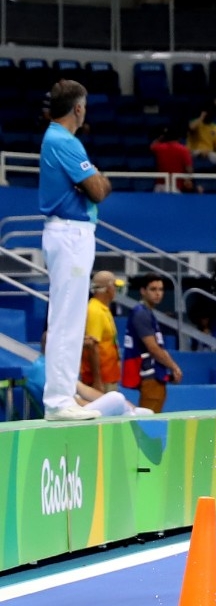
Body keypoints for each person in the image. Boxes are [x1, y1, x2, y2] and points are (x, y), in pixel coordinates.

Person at [39, 79, 110, 422]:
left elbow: (94, 187)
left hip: (71, 233)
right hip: (69, 234)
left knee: (68, 318)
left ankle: (60, 397)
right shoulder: (64, 141)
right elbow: (97, 190)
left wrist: (94, 180)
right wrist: (97, 178)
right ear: (78, 108)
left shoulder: (59, 140)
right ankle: (58, 401)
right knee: (67, 319)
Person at [123, 274, 182, 414]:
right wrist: (174, 367)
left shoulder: (147, 313)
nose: (158, 293)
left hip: (154, 376)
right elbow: (153, 348)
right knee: (148, 422)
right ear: (143, 291)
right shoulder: (141, 314)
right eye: (153, 289)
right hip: (150, 377)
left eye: (160, 289)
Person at [80, 270, 122, 393]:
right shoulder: (95, 311)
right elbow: (92, 347)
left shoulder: (103, 309)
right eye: (114, 286)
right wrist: (97, 381)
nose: (115, 290)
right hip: (101, 381)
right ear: (108, 288)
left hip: (109, 377)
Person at [150, 126, 196, 192]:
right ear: (178, 137)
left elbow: (152, 146)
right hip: (175, 187)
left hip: (159, 187)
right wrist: (188, 180)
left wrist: (162, 137)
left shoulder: (159, 148)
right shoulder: (183, 150)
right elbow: (189, 169)